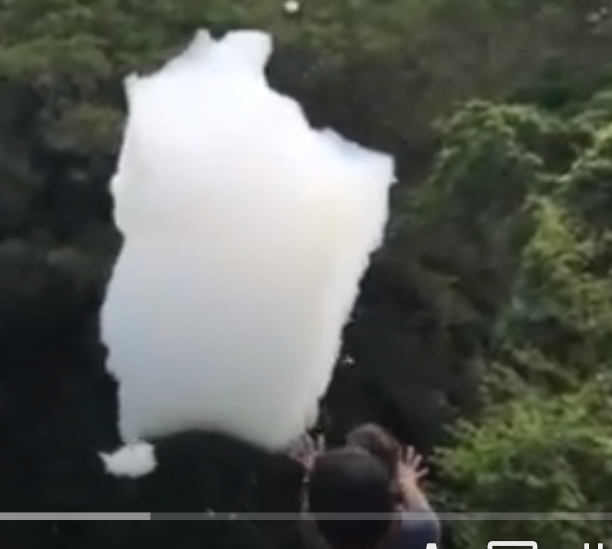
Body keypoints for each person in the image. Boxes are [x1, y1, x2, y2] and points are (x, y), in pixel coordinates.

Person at [287, 426, 440, 549]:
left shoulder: (313, 538)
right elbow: (422, 513)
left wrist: (317, 475)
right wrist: (408, 484)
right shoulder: (424, 533)